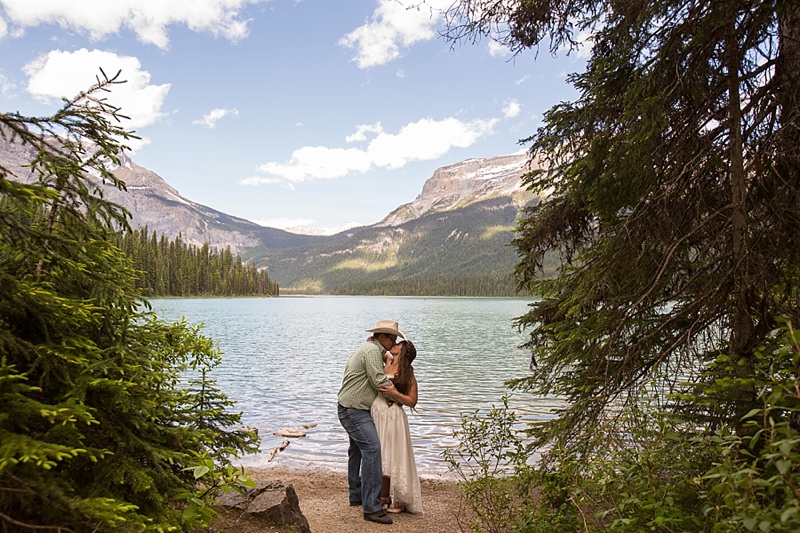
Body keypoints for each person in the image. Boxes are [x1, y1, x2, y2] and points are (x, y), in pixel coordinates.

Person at [337, 320, 403, 525]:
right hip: (354, 411)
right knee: (373, 450)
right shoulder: (372, 352)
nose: (395, 341)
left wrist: (389, 355)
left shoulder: (370, 348)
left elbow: (378, 365)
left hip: (348, 407)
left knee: (356, 451)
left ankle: (355, 495)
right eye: (392, 338)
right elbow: (379, 381)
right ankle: (372, 508)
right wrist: (398, 398)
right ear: (381, 337)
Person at [372, 339, 423, 514]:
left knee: (393, 454)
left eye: (397, 346)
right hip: (379, 414)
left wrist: (395, 394)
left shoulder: (407, 374)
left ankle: (397, 497)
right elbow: (378, 352)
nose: (392, 346)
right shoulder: (388, 360)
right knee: (381, 454)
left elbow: (412, 401)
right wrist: (374, 340)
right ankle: (383, 496)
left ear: (402, 353)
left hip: (394, 416)